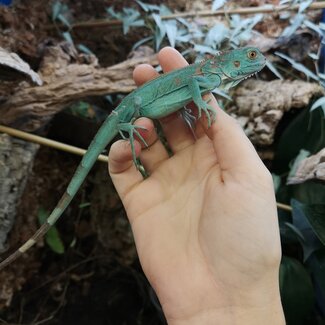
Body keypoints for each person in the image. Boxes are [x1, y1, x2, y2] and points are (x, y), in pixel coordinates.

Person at [108, 47, 285, 325]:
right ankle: (125, 126)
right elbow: (192, 83)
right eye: (251, 56)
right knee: (139, 121)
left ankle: (128, 126)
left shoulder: (212, 75)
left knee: (145, 123)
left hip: (146, 107)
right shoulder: (208, 75)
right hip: (135, 107)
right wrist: (199, 104)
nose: (257, 61)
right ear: (234, 60)